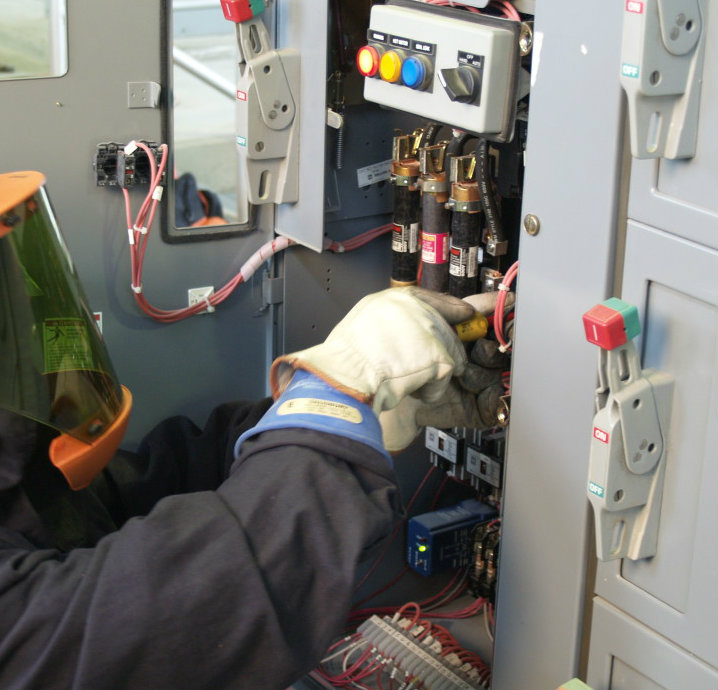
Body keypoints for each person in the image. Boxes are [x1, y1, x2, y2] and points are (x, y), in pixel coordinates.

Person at [0, 171, 484, 690]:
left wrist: (327, 412)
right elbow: (180, 611)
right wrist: (337, 398)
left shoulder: (25, 486)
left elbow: (144, 488)